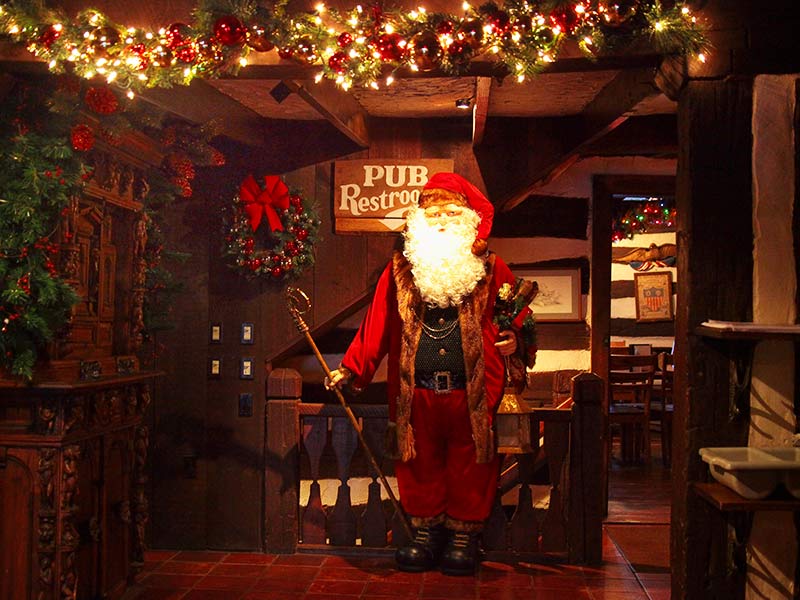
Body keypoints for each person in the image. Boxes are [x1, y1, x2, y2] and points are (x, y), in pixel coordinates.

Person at [326, 172, 536, 576]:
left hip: (473, 392)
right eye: (433, 214)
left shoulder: (493, 269)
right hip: (415, 393)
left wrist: (515, 341)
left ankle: (463, 538)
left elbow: (518, 320)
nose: (441, 220)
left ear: (468, 219)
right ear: (420, 221)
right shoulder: (400, 271)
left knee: (472, 462)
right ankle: (425, 534)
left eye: (450, 213)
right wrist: (352, 368)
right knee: (417, 460)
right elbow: (377, 323)